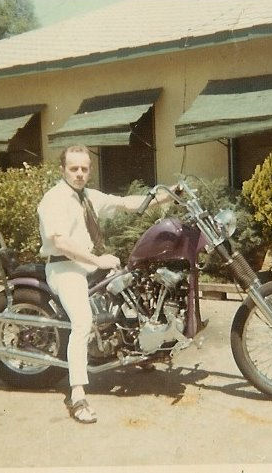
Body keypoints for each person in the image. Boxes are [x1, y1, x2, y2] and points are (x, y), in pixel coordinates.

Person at [37, 144, 172, 424]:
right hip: (64, 267)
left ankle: (140, 352)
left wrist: (166, 195)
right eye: (73, 168)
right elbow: (60, 242)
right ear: (62, 170)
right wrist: (97, 261)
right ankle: (77, 394)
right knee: (83, 322)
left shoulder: (87, 196)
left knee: (133, 288)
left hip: (85, 263)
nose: (79, 173)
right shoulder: (54, 199)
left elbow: (125, 203)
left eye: (84, 169)